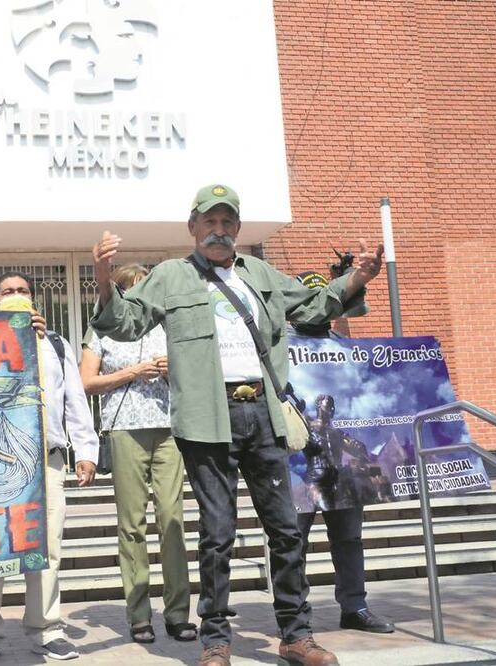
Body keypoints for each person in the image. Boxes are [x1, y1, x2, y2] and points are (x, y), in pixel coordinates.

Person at [89, 183, 385, 666]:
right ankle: (216, 642)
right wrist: (103, 279)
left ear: (238, 230)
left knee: (286, 529)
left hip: (262, 413)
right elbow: (125, 323)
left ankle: (295, 635)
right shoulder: (170, 276)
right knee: (218, 532)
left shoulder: (260, 273)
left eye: (228, 223)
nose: (219, 231)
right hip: (207, 419)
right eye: (210, 222)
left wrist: (355, 279)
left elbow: (313, 306)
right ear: (193, 228)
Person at [0, 271, 100, 663]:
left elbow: (74, 397)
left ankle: (47, 628)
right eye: (7, 292)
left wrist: (86, 449)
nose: (16, 296)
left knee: (47, 547)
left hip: (46, 461)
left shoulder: (55, 343)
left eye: (22, 291)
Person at [78, 263, 195, 644]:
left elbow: (197, 373)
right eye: (135, 289)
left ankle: (178, 613)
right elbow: (86, 382)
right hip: (125, 428)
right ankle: (139, 615)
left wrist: (169, 369)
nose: (143, 295)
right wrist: (133, 372)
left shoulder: (167, 325)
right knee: (132, 524)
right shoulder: (101, 327)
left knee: (172, 519)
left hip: (169, 428)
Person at [288, 272, 394, 634]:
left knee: (349, 538)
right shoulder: (280, 346)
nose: (317, 308)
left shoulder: (340, 346)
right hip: (299, 473)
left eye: (323, 299)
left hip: (338, 478)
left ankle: (355, 606)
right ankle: (293, 615)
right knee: (292, 543)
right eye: (309, 300)